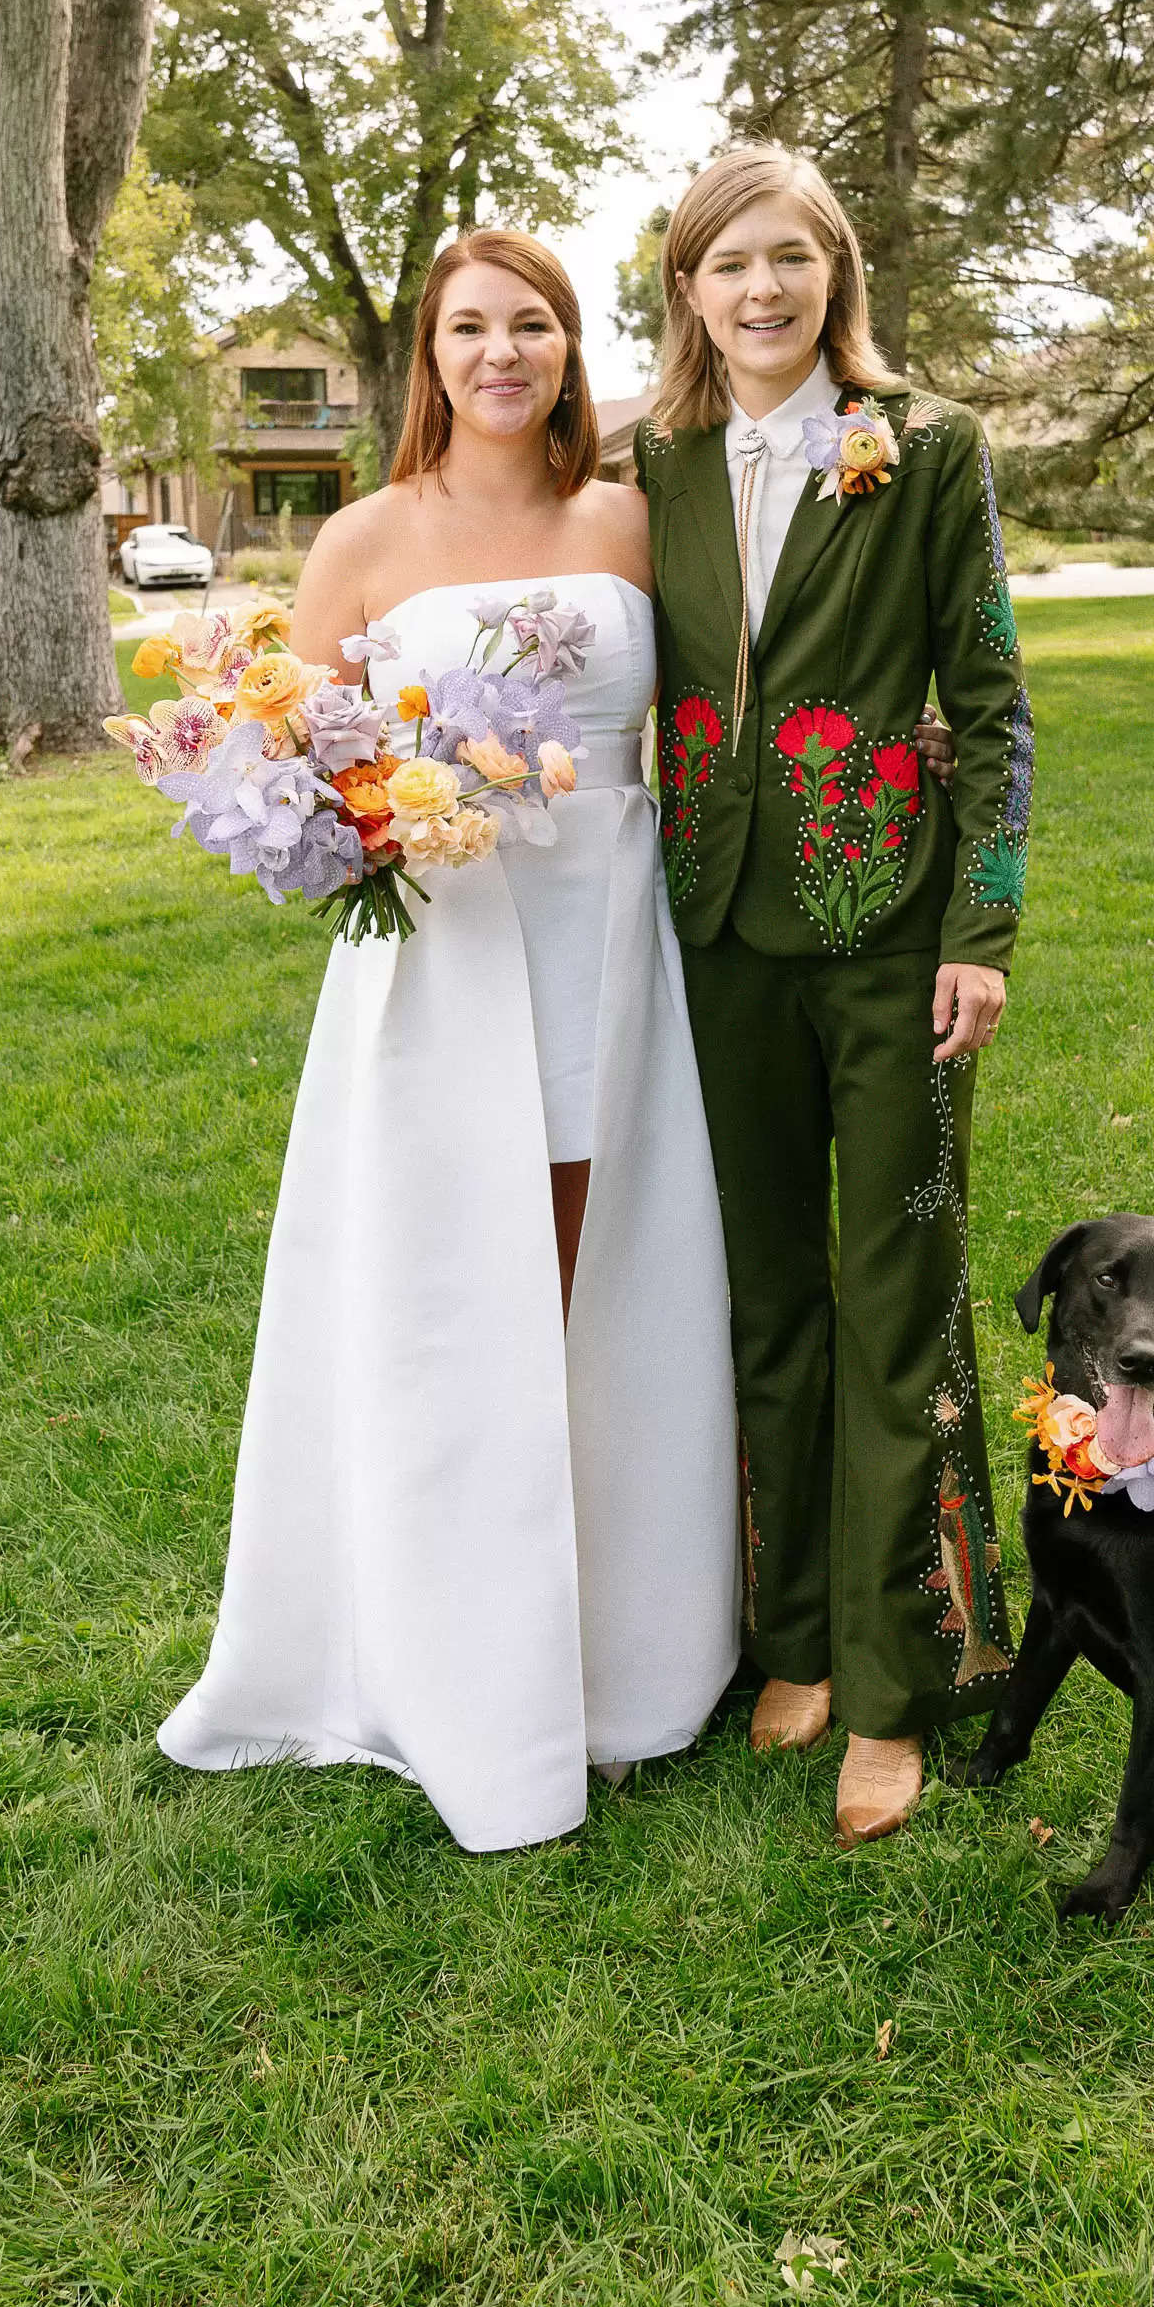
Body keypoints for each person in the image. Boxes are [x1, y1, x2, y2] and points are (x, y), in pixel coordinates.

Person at [158, 229, 739, 1852]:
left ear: (569, 348)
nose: (503, 350)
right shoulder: (362, 538)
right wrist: (356, 823)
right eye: (471, 326)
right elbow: (306, 746)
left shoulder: (633, 515)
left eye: (534, 323)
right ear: (431, 354)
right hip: (445, 965)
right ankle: (458, 1660)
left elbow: (724, 706)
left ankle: (620, 1651)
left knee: (596, 1282)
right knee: (454, 1295)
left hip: (612, 948)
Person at [636, 146, 1033, 1848]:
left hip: (888, 932)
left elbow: (996, 704)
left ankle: (894, 1677)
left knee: (896, 1294)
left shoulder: (928, 450)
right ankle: (785, 1632)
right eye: (731, 265)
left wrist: (982, 929)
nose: (764, 292)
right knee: (764, 1299)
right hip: (711, 933)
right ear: (689, 291)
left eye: (791, 259)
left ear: (837, 274)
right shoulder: (650, 462)